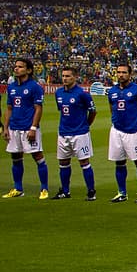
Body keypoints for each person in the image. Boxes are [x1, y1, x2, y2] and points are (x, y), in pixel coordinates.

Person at [2, 57, 48, 199]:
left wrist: (33, 127)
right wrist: (5, 128)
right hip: (14, 128)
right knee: (15, 157)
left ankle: (44, 189)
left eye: (20, 67)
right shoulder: (11, 87)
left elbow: (38, 109)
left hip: (28, 128)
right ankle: (18, 189)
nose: (16, 69)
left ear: (28, 70)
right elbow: (9, 109)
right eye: (16, 66)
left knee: (38, 157)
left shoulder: (34, 87)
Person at [105, 63, 137, 203]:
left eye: (124, 72)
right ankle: (121, 192)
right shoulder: (112, 91)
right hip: (116, 131)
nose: (121, 75)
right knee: (119, 162)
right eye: (119, 72)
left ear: (130, 74)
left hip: (133, 131)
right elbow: (112, 108)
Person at [52, 65, 96, 200]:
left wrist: (85, 125)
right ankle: (65, 191)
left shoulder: (82, 94)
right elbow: (62, 111)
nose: (65, 78)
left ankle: (91, 192)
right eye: (63, 76)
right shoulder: (58, 93)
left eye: (68, 76)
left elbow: (93, 111)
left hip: (80, 133)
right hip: (63, 132)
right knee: (63, 163)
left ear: (75, 77)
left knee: (84, 162)